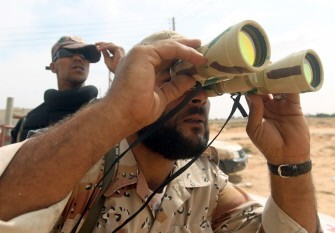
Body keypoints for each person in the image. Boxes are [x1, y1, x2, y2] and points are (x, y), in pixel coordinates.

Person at [0, 31, 321, 233]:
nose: (198, 96)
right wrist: (117, 110)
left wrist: (291, 163)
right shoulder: (77, 168)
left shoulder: (206, 181)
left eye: (204, 84)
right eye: (176, 79)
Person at [10, 35, 125, 142]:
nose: (78, 58)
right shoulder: (24, 126)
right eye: (68, 53)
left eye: (85, 54)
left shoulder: (111, 114)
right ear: (53, 67)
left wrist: (123, 71)